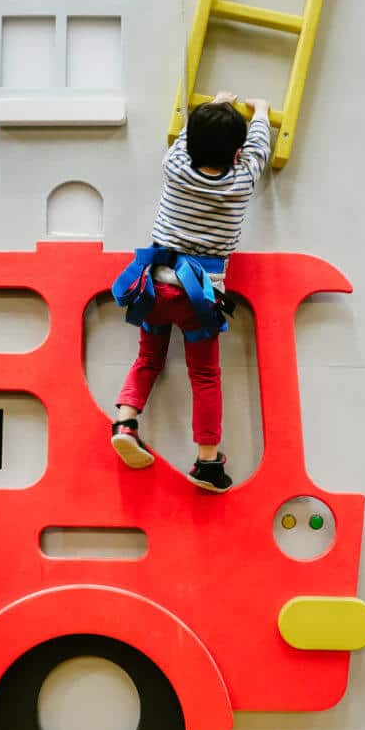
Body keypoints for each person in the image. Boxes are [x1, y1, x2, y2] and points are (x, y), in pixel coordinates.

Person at [110, 92, 271, 492]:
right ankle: (207, 462)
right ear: (236, 153)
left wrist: (213, 103)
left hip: (155, 287)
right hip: (199, 298)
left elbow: (182, 140)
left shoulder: (176, 167)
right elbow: (259, 153)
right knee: (204, 375)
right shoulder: (241, 181)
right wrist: (262, 113)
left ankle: (126, 422)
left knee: (148, 358)